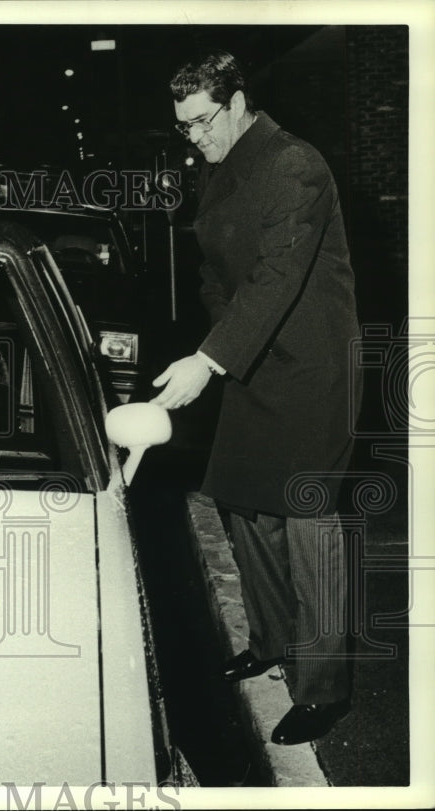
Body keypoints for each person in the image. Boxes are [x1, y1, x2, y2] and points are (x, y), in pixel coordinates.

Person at [151, 50, 361, 745]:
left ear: (238, 103)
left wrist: (209, 360)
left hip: (310, 369)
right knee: (244, 504)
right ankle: (273, 641)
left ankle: (325, 688)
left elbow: (275, 276)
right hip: (253, 360)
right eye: (184, 129)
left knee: (308, 523)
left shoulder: (294, 164)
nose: (197, 139)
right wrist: (221, 342)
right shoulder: (223, 167)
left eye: (203, 123)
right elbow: (218, 270)